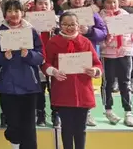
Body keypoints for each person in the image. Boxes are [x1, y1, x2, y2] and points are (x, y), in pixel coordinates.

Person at [0, 0, 44, 149]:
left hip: (29, 85)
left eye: (16, 11)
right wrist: (3, 57)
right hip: (8, 85)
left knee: (29, 127)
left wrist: (29, 55)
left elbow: (40, 57)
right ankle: (15, 144)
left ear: (22, 13)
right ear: (5, 14)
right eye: (10, 11)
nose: (13, 14)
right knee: (13, 125)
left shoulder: (31, 31)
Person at [43, 12, 103, 149]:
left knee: (81, 129)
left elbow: (97, 63)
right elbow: (45, 63)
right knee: (67, 129)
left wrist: (95, 71)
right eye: (65, 24)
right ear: (59, 25)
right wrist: (54, 71)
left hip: (83, 92)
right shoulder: (53, 42)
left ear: (78, 25)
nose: (69, 27)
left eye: (72, 24)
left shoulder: (85, 42)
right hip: (63, 91)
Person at [98, 0, 133, 127]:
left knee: (125, 82)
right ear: (103, 4)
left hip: (125, 52)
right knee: (108, 82)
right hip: (108, 54)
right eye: (108, 2)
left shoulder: (126, 15)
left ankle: (128, 112)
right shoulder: (100, 17)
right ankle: (108, 110)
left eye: (114, 2)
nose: (112, 5)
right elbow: (98, 38)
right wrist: (106, 40)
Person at [27, 0, 58, 127]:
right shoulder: (28, 22)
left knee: (54, 89)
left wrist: (55, 30)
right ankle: (40, 113)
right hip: (38, 57)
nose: (43, 6)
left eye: (46, 3)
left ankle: (56, 114)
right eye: (40, 3)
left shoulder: (57, 21)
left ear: (51, 6)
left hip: (54, 59)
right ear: (35, 6)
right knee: (39, 88)